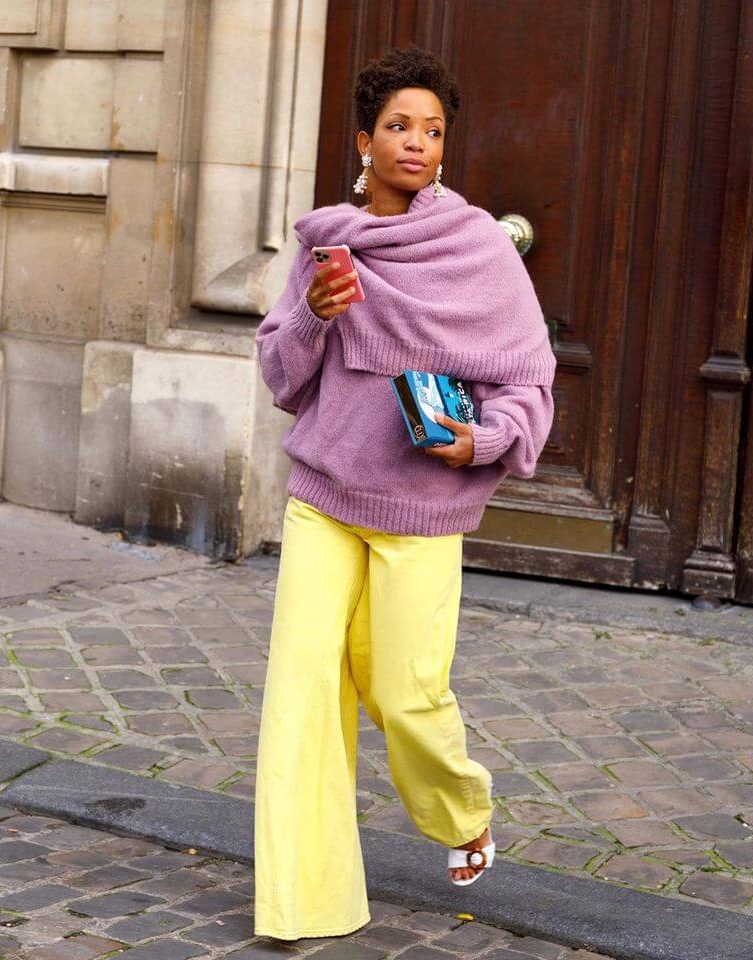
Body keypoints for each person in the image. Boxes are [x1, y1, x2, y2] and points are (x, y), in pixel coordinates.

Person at [252, 43, 556, 940]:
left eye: (432, 130)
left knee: (405, 687)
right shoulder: (327, 248)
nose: (416, 142)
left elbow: (527, 381)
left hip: (423, 505)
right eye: (398, 126)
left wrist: (484, 441)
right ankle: (302, 900)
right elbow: (279, 372)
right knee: (302, 690)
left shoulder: (477, 251)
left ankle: (462, 808)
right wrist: (317, 312)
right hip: (325, 494)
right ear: (364, 140)